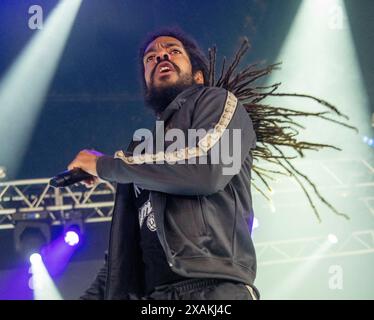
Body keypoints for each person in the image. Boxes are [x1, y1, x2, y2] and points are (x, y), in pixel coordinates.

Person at [68, 27, 259, 300]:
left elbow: (207, 170)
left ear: (198, 75)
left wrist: (106, 166)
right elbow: (121, 262)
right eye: (151, 57)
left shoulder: (219, 103)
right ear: (146, 82)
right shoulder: (140, 156)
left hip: (215, 290)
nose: (161, 56)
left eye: (173, 50)